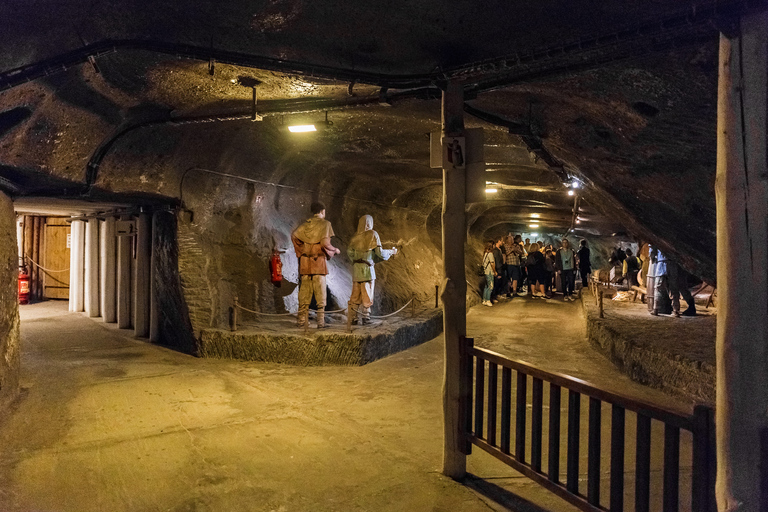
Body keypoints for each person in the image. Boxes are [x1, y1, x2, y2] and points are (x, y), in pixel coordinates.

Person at [291, 202, 341, 328]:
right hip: (318, 262)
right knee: (320, 292)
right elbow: (325, 243)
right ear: (323, 211)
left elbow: (294, 236)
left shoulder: (305, 225)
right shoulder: (325, 224)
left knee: (304, 292)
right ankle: (320, 322)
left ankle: (301, 321)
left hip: (305, 263)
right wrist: (334, 250)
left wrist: (301, 251)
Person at [346, 215, 397, 325]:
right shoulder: (373, 234)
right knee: (367, 292)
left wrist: (357, 261)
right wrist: (391, 252)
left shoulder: (354, 238)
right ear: (370, 223)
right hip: (368, 270)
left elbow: (350, 253)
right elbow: (380, 253)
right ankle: (366, 317)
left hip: (356, 271)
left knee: (355, 294)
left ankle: (353, 317)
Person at [482, 240, 499, 307]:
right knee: (490, 286)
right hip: (489, 272)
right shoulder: (490, 254)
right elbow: (492, 263)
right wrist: (494, 271)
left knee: (486, 286)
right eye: (494, 245)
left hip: (485, 271)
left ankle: (484, 300)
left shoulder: (485, 253)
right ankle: (488, 300)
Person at [491, 238, 505, 302]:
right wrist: (498, 270)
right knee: (496, 283)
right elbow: (496, 261)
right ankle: (494, 297)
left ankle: (497, 295)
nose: (503, 242)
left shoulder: (499, 250)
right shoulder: (496, 251)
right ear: (498, 241)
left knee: (499, 283)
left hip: (499, 268)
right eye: (502, 240)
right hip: (497, 269)